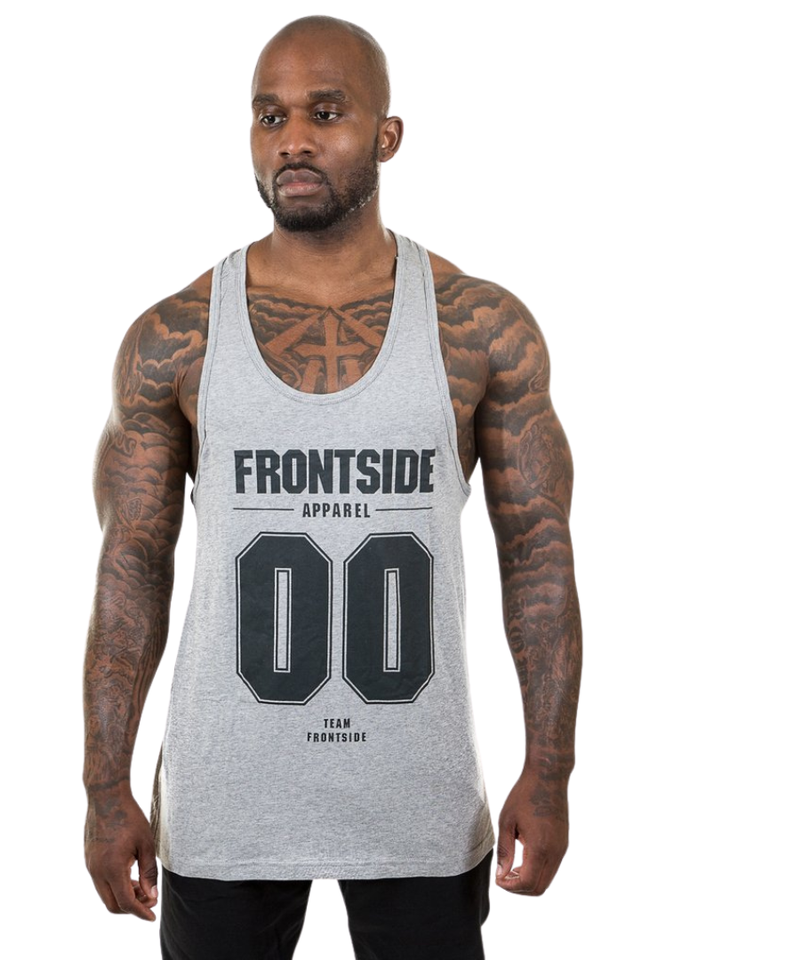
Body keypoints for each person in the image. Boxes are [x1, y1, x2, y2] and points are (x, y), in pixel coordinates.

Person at [83, 15, 582, 960]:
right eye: (270, 116)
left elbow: (539, 559)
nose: (294, 140)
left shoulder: (480, 328)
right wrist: (105, 787)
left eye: (326, 112)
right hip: (227, 799)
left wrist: (549, 770)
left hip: (418, 797)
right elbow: (131, 568)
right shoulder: (176, 337)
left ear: (387, 136)